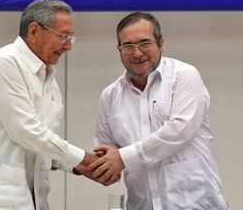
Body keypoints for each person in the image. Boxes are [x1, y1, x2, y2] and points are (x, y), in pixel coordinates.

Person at [0, 0, 98, 210]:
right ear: (34, 30)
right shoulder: (2, 63)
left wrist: (77, 166)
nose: (68, 46)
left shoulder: (49, 80)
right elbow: (26, 132)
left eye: (71, 37)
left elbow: (42, 145)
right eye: (63, 36)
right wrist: (83, 158)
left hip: (31, 199)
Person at [89, 12, 229, 210]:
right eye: (128, 45)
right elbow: (106, 151)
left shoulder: (184, 77)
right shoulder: (109, 96)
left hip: (196, 204)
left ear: (160, 43)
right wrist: (100, 168)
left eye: (145, 43)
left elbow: (180, 130)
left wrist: (122, 157)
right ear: (119, 49)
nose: (137, 53)